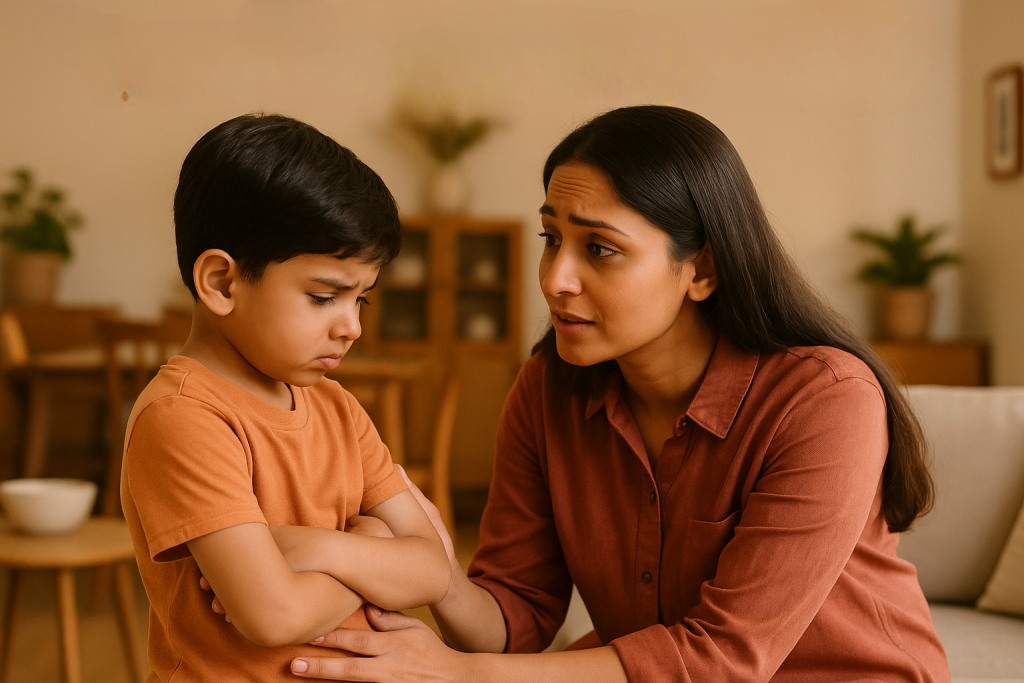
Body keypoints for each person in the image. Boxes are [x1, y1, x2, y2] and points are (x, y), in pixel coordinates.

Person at [227, 105, 950, 682]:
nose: (555, 279)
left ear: (701, 270)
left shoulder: (826, 400)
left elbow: (723, 660)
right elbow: (515, 618)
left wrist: (459, 674)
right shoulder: (547, 388)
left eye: (599, 249)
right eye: (551, 238)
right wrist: (435, 571)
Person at [120, 113, 451, 683]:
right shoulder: (182, 417)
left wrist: (320, 550)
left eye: (361, 300)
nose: (352, 327)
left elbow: (434, 569)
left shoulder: (339, 409)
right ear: (222, 283)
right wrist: (372, 554)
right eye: (324, 297)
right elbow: (273, 616)